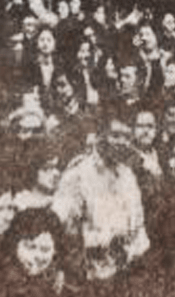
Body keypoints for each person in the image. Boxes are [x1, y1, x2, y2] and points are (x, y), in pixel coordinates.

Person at [52, 109, 151, 264]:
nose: (122, 142)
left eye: (127, 137)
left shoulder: (128, 176)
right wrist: (101, 242)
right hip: (89, 268)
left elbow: (139, 227)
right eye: (115, 135)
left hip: (127, 267)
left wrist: (130, 252)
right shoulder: (77, 175)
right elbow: (62, 230)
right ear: (100, 136)